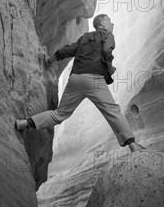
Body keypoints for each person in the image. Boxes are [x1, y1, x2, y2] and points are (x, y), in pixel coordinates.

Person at [15, 14, 139, 152]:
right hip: (94, 79)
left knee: (60, 114)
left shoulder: (85, 37)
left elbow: (70, 49)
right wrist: (109, 68)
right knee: (112, 111)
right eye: (110, 21)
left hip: (76, 79)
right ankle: (133, 146)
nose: (112, 24)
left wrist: (52, 59)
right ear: (103, 23)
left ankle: (25, 123)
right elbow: (106, 50)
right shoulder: (108, 35)